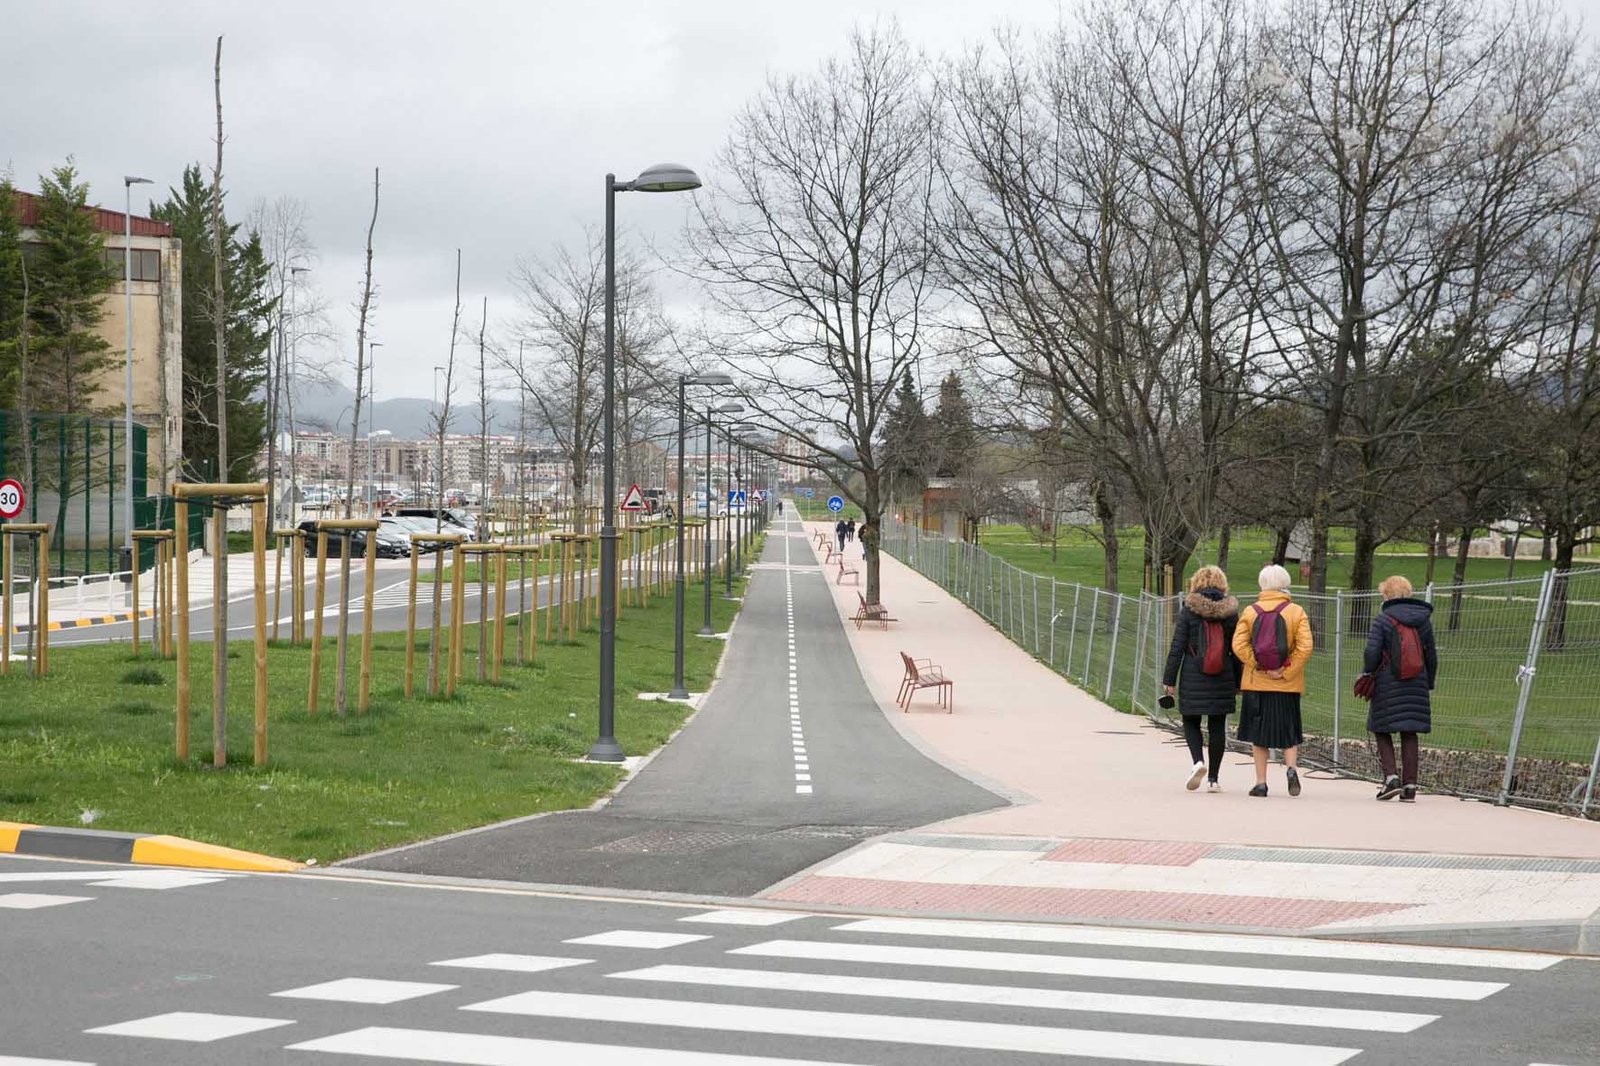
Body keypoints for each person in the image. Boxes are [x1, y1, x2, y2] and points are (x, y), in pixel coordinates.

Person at [1232, 564, 1314, 797]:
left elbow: (1238, 644)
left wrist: (1257, 664)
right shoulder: (1296, 611)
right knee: (1289, 729)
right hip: (1287, 685)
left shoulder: (1250, 611)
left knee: (1258, 734)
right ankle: (1291, 768)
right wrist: (1285, 670)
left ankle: (1261, 782)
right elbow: (1305, 647)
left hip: (1256, 683)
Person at [1162, 566, 1241, 793]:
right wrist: (1238, 681)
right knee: (1217, 725)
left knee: (1190, 720)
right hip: (1222, 675)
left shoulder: (1189, 610)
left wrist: (1169, 680)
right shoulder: (1230, 613)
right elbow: (1237, 649)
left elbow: (1177, 647)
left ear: (1195, 582)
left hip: (1192, 674)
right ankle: (1213, 779)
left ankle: (1198, 761)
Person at [1362, 575, 1438, 802]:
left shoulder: (1383, 619)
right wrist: (1428, 681)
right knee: (1410, 730)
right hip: (1417, 682)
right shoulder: (1423, 621)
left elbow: (1372, 652)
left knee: (1380, 727)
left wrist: (1368, 673)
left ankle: (1391, 778)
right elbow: (1431, 656)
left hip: (1388, 681)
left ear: (1386, 595)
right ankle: (1410, 786)